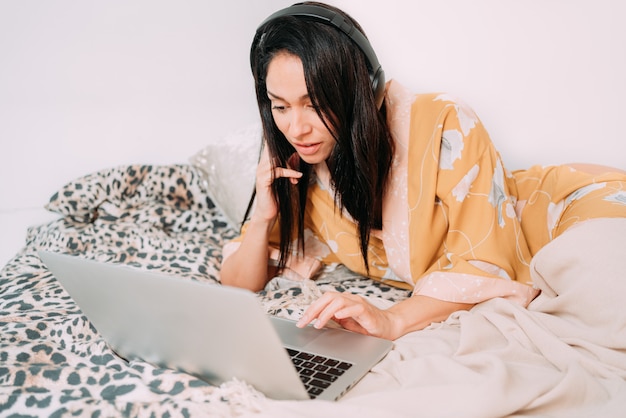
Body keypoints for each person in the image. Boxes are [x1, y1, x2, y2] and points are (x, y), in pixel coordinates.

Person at [219, 2, 626, 340]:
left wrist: (393, 319)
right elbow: (238, 284)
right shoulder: (300, 164)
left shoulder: (444, 122)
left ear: (362, 91)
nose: (296, 127)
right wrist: (263, 217)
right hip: (550, 235)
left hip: (568, 211)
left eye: (314, 103)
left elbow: (486, 266)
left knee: (604, 310)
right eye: (280, 106)